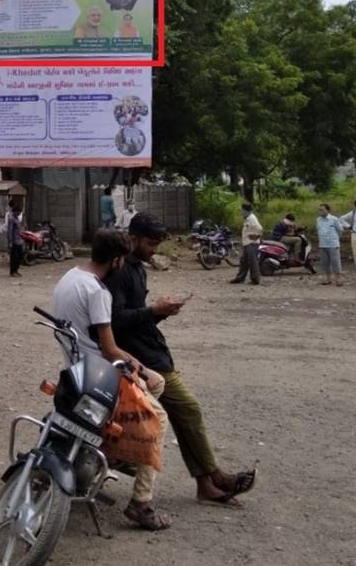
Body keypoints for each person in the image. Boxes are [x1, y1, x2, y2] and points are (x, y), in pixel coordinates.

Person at [107, 214, 257, 507]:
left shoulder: (138, 268)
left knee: (184, 414)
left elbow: (135, 317)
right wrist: (153, 311)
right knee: (187, 410)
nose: (154, 250)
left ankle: (208, 481)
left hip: (152, 352)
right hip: (144, 359)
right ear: (133, 238)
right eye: (150, 243)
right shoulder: (122, 270)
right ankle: (212, 478)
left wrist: (161, 312)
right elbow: (114, 321)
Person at [51, 228, 171, 531]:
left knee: (157, 384)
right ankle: (141, 502)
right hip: (99, 376)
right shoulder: (98, 292)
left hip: (74, 368)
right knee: (158, 416)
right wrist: (141, 368)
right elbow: (110, 349)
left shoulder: (69, 277)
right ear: (117, 261)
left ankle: (114, 454)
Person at [230, 203, 262, 285]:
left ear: (245, 210)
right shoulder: (248, 218)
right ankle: (240, 278)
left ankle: (255, 280)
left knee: (252, 262)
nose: (241, 212)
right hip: (247, 243)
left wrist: (256, 236)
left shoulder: (252, 218)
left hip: (252, 243)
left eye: (242, 210)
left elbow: (259, 228)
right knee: (244, 261)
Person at [315, 203, 345, 286]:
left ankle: (338, 279)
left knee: (335, 262)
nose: (320, 211)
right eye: (319, 210)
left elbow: (340, 230)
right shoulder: (318, 220)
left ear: (328, 210)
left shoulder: (334, 219)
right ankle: (327, 278)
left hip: (333, 244)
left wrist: (335, 239)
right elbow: (318, 229)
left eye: (322, 210)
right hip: (322, 244)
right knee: (324, 262)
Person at [6, 200, 24, 278]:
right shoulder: (11, 218)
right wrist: (10, 242)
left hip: (19, 240)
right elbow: (10, 231)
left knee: (20, 255)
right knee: (14, 257)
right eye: (19, 212)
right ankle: (12, 271)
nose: (20, 213)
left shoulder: (17, 219)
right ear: (16, 211)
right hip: (14, 241)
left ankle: (16, 270)